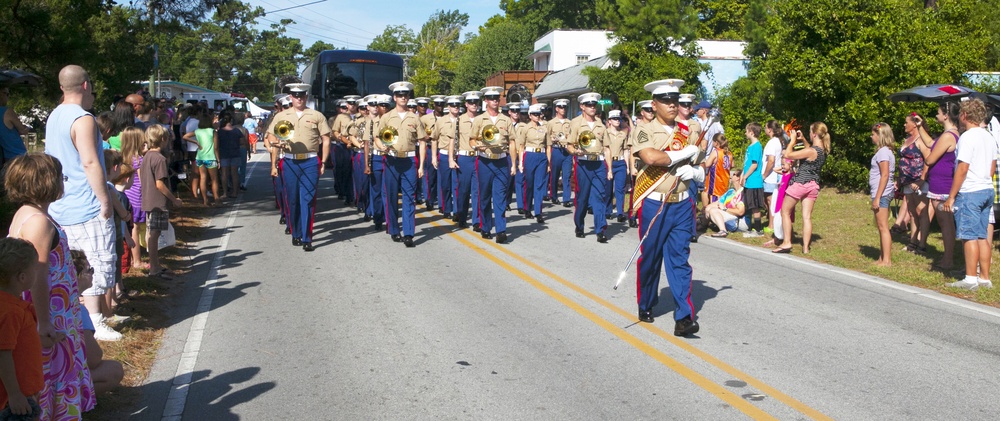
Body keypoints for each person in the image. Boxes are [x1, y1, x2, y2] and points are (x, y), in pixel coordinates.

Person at [4, 154, 97, 417]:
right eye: (60, 176)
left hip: (56, 309)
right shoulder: (39, 222)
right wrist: (43, 322)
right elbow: (39, 272)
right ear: (46, 181)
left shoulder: (29, 213)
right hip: (50, 312)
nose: (62, 181)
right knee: (54, 370)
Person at [44, 65, 120, 341]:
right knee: (96, 263)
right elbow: (89, 162)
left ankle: (87, 317)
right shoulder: (83, 118)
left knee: (74, 264)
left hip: (62, 203)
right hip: (86, 203)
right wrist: (104, 200)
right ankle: (96, 321)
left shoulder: (54, 116)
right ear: (86, 85)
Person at [631, 78, 703, 336]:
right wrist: (681, 155)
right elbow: (651, 157)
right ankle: (646, 303)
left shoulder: (688, 129)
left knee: (680, 261)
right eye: (666, 100)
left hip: (682, 205)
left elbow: (703, 156)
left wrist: (696, 172)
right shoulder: (643, 129)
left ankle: (684, 317)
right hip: (654, 203)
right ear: (655, 104)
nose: (673, 105)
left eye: (675, 100)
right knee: (651, 258)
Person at [266, 83, 331, 252]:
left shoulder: (316, 115)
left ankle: (307, 237)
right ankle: (296, 232)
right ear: (291, 98)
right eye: (295, 96)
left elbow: (326, 139)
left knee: (308, 200)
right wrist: (274, 155)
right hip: (289, 161)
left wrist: (323, 162)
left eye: (302, 96)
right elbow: (271, 135)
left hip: (310, 161)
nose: (299, 99)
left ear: (306, 97)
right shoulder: (282, 116)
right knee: (292, 199)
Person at [942, 99, 996, 290]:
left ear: (965, 115)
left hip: (970, 191)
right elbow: (992, 166)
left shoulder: (967, 137)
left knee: (969, 235)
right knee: (982, 235)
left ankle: (970, 278)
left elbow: (963, 168)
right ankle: (984, 278)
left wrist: (951, 196)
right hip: (987, 189)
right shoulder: (988, 136)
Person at [0, 237, 44, 419]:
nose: (37, 271)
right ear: (22, 277)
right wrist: (15, 394)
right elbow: (3, 353)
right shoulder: (10, 312)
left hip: (22, 394)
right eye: (35, 267)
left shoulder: (14, 304)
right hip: (13, 400)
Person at [69, 250, 124, 395]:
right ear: (78, 276)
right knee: (114, 370)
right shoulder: (77, 309)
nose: (92, 273)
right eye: (90, 270)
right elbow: (94, 358)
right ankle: (75, 403)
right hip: (64, 379)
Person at [378, 82, 426, 247]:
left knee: (409, 197)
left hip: (410, 160)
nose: (403, 97)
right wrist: (381, 146)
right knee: (391, 197)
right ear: (394, 98)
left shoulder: (414, 118)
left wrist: (421, 166)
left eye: (406, 95)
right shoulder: (386, 117)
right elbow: (377, 137)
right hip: (391, 160)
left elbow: (422, 141)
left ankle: (409, 233)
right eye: (400, 95)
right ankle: (393, 229)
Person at [772, 122, 830, 254]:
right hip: (813, 185)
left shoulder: (811, 151)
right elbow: (809, 150)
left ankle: (787, 242)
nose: (809, 134)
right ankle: (805, 248)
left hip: (800, 183)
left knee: (785, 211)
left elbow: (788, 155)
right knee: (807, 217)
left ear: (814, 134)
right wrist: (803, 139)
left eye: (810, 132)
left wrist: (792, 141)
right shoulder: (822, 151)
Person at [914, 102, 959, 270]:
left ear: (946, 115)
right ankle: (948, 257)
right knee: (944, 222)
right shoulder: (948, 134)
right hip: (940, 183)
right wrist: (920, 127)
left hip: (943, 185)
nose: (936, 115)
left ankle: (948, 259)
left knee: (945, 222)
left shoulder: (948, 136)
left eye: (938, 112)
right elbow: (931, 143)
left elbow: (930, 158)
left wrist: (927, 157)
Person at [468, 87, 515, 243]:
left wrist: (514, 163)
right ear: (486, 101)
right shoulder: (479, 119)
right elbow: (472, 139)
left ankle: (501, 230)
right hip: (485, 161)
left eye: (497, 98)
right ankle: (486, 227)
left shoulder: (506, 119)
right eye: (492, 98)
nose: (495, 100)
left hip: (501, 160)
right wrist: (476, 146)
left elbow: (512, 142)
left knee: (500, 197)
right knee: (485, 196)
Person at [566, 92, 612, 243]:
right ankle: (579, 225)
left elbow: (607, 148)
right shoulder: (576, 123)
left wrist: (610, 169)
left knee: (599, 197)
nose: (592, 107)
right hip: (583, 164)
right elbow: (569, 144)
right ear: (582, 107)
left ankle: (600, 230)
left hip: (598, 163)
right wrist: (574, 151)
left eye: (594, 105)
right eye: (589, 105)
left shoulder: (601, 124)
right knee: (582, 198)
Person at [142, 125, 183, 278]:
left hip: (148, 199)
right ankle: (154, 267)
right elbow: (160, 184)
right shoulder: (159, 159)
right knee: (155, 233)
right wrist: (174, 199)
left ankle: (155, 264)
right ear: (163, 139)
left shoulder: (146, 156)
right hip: (158, 202)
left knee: (153, 232)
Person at [898, 114, 928, 253]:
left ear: (914, 124)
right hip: (907, 182)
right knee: (911, 212)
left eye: (906, 122)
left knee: (921, 211)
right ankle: (912, 242)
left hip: (918, 182)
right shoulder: (907, 140)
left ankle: (922, 244)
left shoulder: (921, 140)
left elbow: (928, 160)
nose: (904, 125)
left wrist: (921, 179)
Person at [451, 91, 481, 230]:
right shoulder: (459, 120)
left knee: (478, 191)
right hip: (464, 158)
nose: (474, 105)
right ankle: (462, 217)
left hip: (480, 157)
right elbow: (452, 140)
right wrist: (451, 159)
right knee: (463, 190)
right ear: (466, 104)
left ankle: (477, 221)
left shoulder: (482, 119)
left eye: (476, 102)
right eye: (471, 102)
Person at [517, 103, 551, 223]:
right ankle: (527, 208)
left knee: (539, 185)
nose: (537, 116)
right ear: (530, 115)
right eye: (535, 114)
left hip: (541, 156)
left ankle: (538, 212)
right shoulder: (526, 128)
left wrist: (548, 163)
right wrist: (520, 162)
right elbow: (521, 146)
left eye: (538, 114)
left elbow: (548, 147)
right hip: (529, 155)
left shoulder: (544, 128)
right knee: (529, 184)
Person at [870, 122, 896, 266]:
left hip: (882, 193)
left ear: (880, 136)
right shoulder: (883, 152)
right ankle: (882, 257)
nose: (871, 136)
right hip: (881, 192)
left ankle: (886, 260)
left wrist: (878, 197)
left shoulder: (883, 152)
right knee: (880, 226)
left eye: (873, 134)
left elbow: (884, 175)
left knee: (883, 226)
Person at [183, 108, 222, 206]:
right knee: (214, 179)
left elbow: (185, 136)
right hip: (211, 157)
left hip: (200, 157)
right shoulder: (212, 131)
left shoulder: (198, 131)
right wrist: (218, 159)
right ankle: (216, 198)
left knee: (203, 178)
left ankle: (205, 200)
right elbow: (216, 147)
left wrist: (195, 141)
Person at [432, 95, 462, 219]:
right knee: (445, 184)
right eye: (453, 105)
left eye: (458, 105)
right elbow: (434, 139)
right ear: (448, 107)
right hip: (444, 155)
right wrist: (434, 156)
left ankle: (456, 211)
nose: (456, 107)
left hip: (459, 155)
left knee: (457, 184)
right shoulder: (441, 121)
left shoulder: (463, 120)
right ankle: (446, 208)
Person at [740, 122, 766, 237]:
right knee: (749, 205)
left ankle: (758, 229)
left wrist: (745, 176)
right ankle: (750, 227)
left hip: (754, 181)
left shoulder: (757, 146)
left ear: (752, 132)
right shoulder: (750, 147)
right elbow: (747, 163)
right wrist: (742, 175)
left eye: (746, 131)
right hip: (749, 182)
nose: (745, 133)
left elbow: (754, 165)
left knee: (755, 207)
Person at [547, 98, 573, 207]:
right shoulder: (551, 123)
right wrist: (552, 139)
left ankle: (566, 198)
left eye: (565, 107)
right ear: (556, 109)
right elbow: (547, 138)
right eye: (561, 107)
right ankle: (553, 195)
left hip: (566, 151)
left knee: (567, 175)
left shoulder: (570, 123)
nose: (563, 109)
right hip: (556, 150)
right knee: (555, 174)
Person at [705, 169, 747, 237]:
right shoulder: (730, 191)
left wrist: (725, 209)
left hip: (738, 222)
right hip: (729, 216)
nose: (731, 176)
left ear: (738, 178)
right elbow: (718, 203)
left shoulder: (742, 193)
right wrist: (708, 208)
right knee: (708, 209)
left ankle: (723, 231)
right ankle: (702, 225)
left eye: (733, 174)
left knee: (713, 211)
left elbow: (740, 212)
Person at [606, 109, 631, 223]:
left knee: (620, 189)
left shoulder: (623, 134)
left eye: (619, 119)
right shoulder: (605, 133)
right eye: (615, 119)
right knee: (608, 188)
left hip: (620, 162)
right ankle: (608, 210)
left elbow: (625, 150)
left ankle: (620, 212)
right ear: (610, 121)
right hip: (608, 162)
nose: (617, 121)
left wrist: (627, 167)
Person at [761, 120, 783, 233]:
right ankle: (772, 223)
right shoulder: (777, 141)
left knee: (770, 201)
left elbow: (771, 160)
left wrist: (764, 174)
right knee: (769, 200)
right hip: (773, 176)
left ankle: (771, 225)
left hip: (771, 176)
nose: (765, 129)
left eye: (765, 127)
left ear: (770, 129)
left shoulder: (772, 143)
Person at [0, 86, 30, 166]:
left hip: (5, 154)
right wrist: (27, 127)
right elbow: (22, 130)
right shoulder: (7, 111)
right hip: (17, 153)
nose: (8, 97)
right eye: (7, 94)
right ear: (2, 95)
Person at [417, 96, 438, 211]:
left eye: (425, 105)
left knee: (437, 177)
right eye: (421, 105)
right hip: (426, 147)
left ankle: (435, 198)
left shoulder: (442, 117)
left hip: (441, 147)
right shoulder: (421, 119)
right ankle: (427, 198)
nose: (423, 107)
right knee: (428, 175)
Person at [216, 111, 243, 198]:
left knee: (224, 174)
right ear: (231, 121)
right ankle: (235, 192)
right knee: (234, 173)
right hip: (235, 153)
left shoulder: (220, 132)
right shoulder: (237, 131)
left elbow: (217, 144)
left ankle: (225, 193)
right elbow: (242, 142)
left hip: (224, 154)